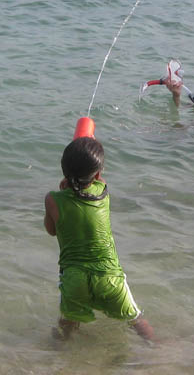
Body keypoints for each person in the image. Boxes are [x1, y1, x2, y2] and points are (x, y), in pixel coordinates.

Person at [44, 136, 154, 342]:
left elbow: (51, 231)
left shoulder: (52, 199)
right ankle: (157, 349)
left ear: (63, 171)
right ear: (98, 174)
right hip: (109, 277)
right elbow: (97, 181)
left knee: (67, 324)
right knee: (136, 320)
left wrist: (64, 189)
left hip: (74, 278)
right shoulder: (103, 192)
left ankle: (56, 358)